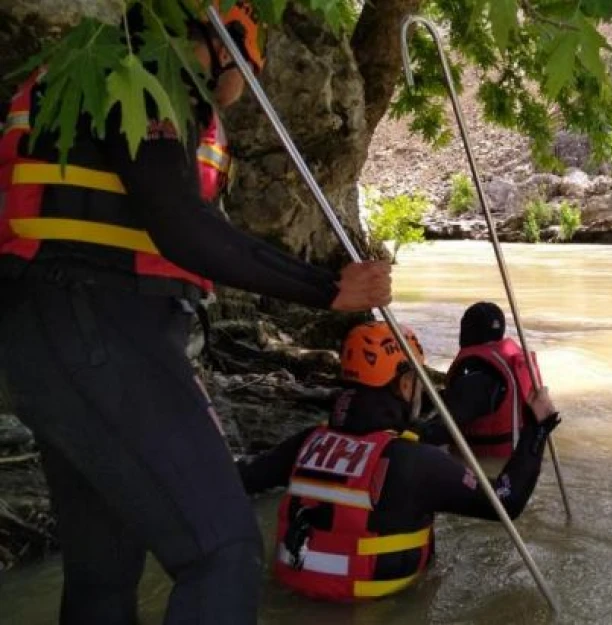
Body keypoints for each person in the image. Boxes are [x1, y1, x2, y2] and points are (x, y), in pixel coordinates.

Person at [0, 2, 391, 623]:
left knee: (104, 577)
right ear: (222, 43)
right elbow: (184, 228)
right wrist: (327, 289)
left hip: (48, 344)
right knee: (224, 553)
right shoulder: (149, 72)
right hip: (101, 329)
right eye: (247, 73)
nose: (240, 93)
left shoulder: (88, 71)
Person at [236, 320, 561, 601]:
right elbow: (507, 500)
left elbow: (241, 479)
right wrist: (538, 429)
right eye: (416, 381)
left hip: (292, 593)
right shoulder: (415, 462)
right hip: (376, 608)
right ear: (405, 384)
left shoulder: (308, 441)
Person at [417, 301, 544, 476]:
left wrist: (406, 435)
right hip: (519, 464)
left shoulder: (477, 374)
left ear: (466, 332)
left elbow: (445, 428)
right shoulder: (512, 363)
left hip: (484, 469)